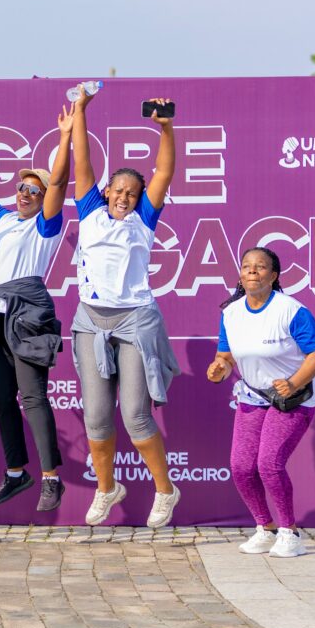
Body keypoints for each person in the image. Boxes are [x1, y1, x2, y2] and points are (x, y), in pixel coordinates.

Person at [70, 87, 182, 528]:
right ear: (107, 191)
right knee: (97, 417)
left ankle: (166, 491)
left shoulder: (144, 219)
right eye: (119, 190)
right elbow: (82, 159)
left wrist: (165, 129)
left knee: (135, 415)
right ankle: (107, 489)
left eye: (132, 193)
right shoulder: (89, 211)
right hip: (91, 320)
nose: (124, 197)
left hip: (135, 320)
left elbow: (164, 171)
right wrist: (80, 109)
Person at [0, 104, 73, 511]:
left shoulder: (46, 225)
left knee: (33, 396)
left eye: (34, 191)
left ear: (44, 199)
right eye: (22, 187)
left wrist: (65, 136)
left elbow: (60, 181)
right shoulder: (4, 219)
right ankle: (15, 472)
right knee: (3, 397)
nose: (25, 193)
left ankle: (51, 478)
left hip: (29, 309)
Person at [206, 247, 315, 558]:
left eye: (260, 267)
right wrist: (220, 368)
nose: (252, 271)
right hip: (252, 396)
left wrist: (293, 383)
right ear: (240, 275)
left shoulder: (291, 310)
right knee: (241, 467)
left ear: (273, 276)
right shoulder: (231, 313)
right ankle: (265, 528)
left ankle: (289, 533)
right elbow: (225, 356)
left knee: (269, 464)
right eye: (247, 266)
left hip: (292, 398)